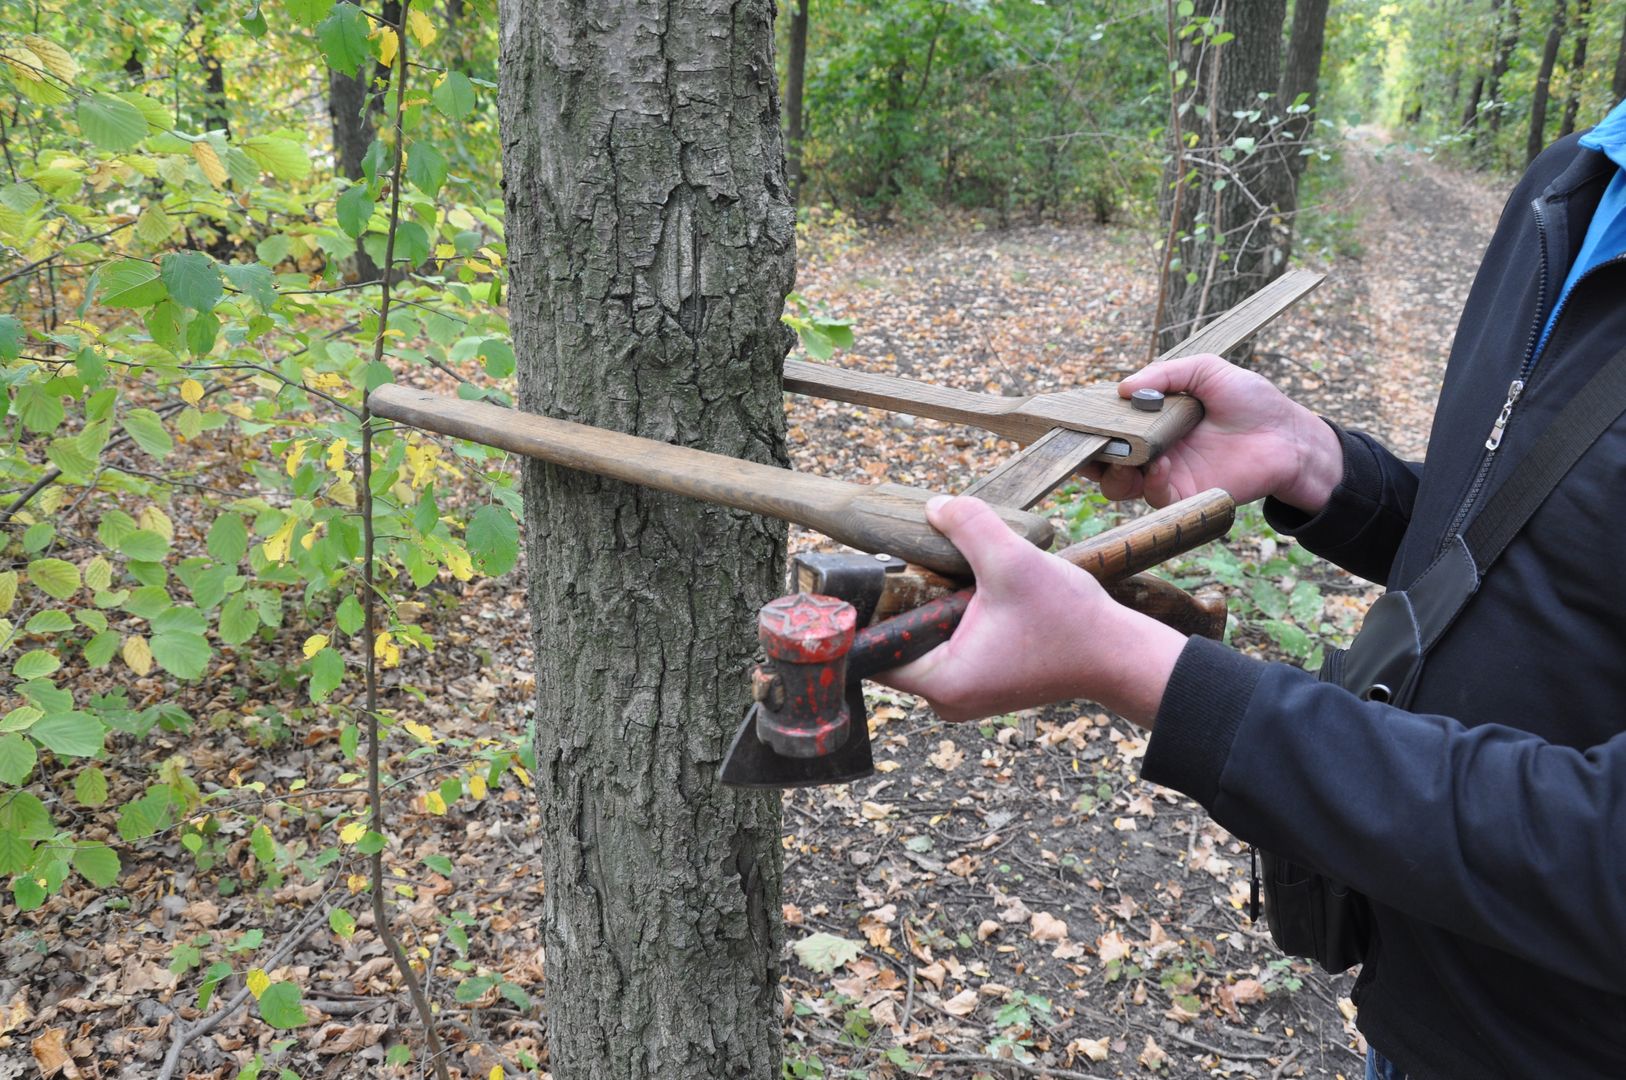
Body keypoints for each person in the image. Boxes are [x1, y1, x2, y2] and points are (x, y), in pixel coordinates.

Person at [880, 100, 1626, 1080]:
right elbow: (1549, 564)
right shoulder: (1580, 177)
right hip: (1427, 1002)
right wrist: (1321, 465)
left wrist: (1138, 667)